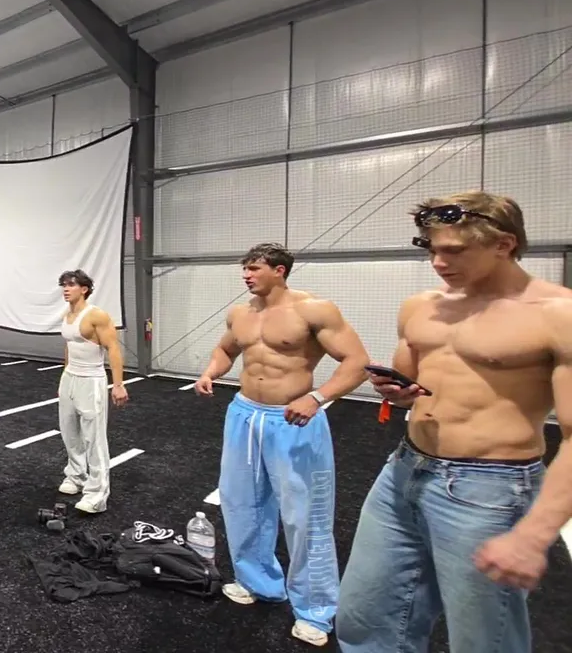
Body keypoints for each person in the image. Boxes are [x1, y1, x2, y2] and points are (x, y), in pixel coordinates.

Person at [336, 192, 572, 653]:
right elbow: (411, 381)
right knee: (366, 619)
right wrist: (398, 391)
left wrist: (533, 536)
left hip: (489, 489)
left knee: (484, 642)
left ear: (504, 244)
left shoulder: (558, 315)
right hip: (403, 471)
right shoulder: (421, 306)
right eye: (432, 249)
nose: (438, 263)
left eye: (454, 251)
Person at [195, 242, 371, 647]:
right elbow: (226, 349)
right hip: (244, 415)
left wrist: (318, 397)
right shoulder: (240, 313)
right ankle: (258, 582)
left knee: (306, 516)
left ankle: (315, 610)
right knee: (242, 503)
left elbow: (357, 362)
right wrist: (210, 371)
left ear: (280, 270)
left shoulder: (314, 310)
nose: (246, 275)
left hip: (293, 420)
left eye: (254, 268)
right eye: (244, 268)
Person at [55, 269, 129, 514]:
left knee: (93, 438)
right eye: (64, 285)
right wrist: (65, 377)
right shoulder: (68, 315)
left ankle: (97, 495)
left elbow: (113, 348)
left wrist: (118, 384)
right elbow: (69, 346)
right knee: (69, 432)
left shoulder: (97, 315)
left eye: (71, 285)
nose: (66, 289)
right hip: (70, 378)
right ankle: (76, 476)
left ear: (84, 289)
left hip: (92, 379)